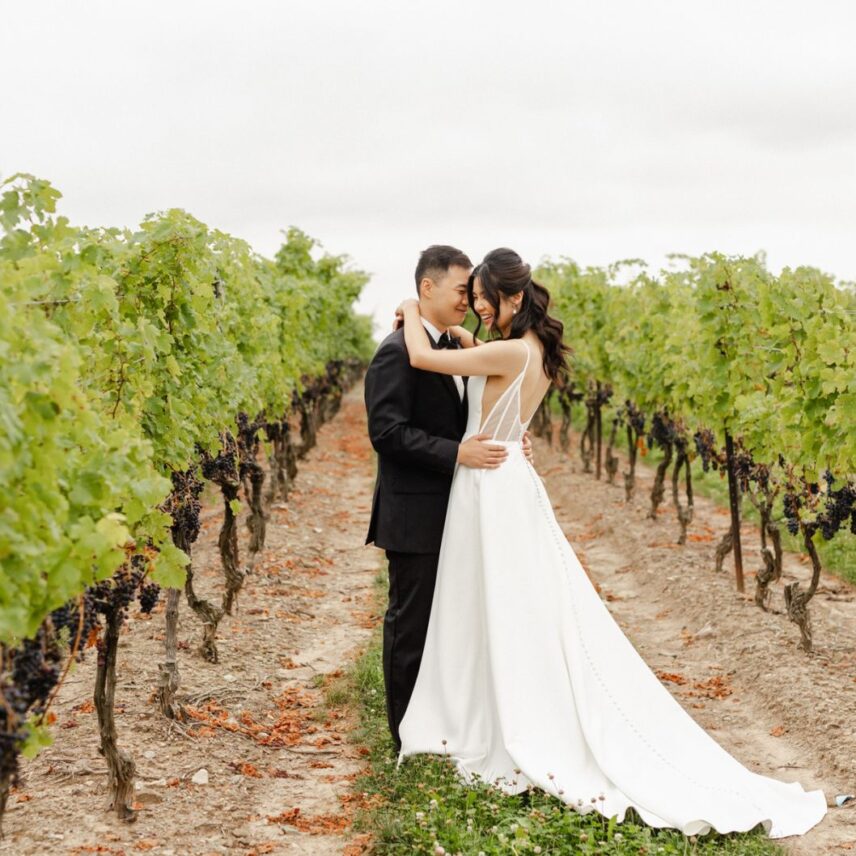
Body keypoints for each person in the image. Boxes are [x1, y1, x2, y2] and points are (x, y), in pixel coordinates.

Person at [394, 247, 827, 840]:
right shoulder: (532, 353)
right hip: (504, 479)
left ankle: (501, 718)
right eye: (471, 299)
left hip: (489, 485)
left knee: (498, 603)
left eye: (484, 298)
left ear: (513, 298)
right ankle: (493, 707)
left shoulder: (510, 350)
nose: (476, 308)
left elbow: (421, 355)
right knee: (513, 603)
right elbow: (474, 360)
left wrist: (406, 307)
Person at [364, 245, 533, 751]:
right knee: (411, 624)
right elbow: (387, 433)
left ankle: (440, 724)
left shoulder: (455, 351)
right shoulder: (397, 352)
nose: (469, 302)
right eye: (463, 291)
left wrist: (506, 435)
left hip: (457, 509)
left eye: (476, 293)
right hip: (415, 511)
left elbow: (475, 415)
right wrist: (456, 453)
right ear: (426, 289)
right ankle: (403, 734)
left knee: (450, 625)